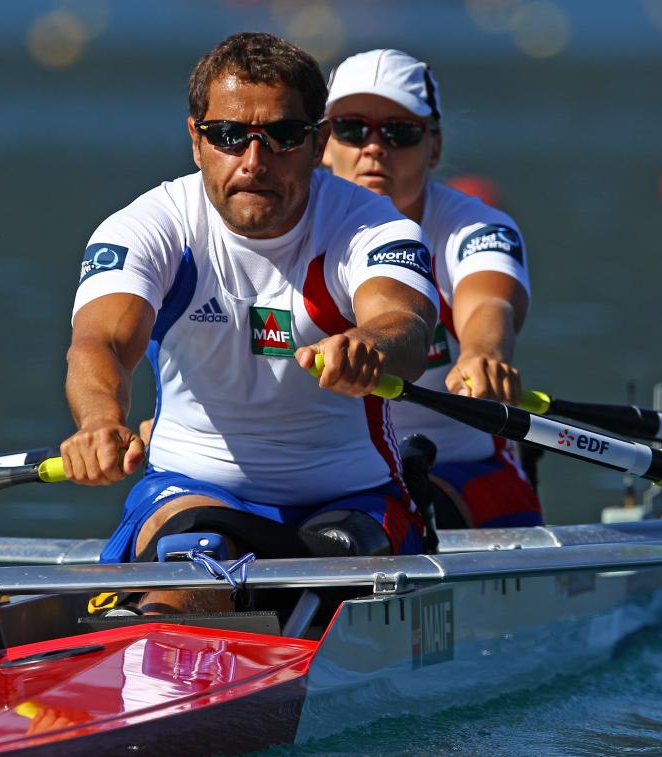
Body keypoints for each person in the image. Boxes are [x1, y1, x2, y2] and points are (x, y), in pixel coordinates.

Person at [60, 33, 438, 614]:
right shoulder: (150, 227)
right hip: (191, 490)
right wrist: (99, 421)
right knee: (194, 555)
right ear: (196, 140)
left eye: (283, 137)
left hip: (351, 499)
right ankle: (165, 645)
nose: (254, 163)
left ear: (317, 144)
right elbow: (102, 342)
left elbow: (405, 324)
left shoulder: (369, 226)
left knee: (334, 567)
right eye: (230, 137)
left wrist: (370, 345)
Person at [323, 49, 542, 529]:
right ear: (324, 141)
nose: (374, 147)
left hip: (461, 470)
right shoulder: (285, 230)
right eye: (352, 129)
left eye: (399, 132)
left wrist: (483, 354)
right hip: (326, 476)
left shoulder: (477, 227)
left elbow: (490, 300)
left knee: (365, 524)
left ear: (434, 147)